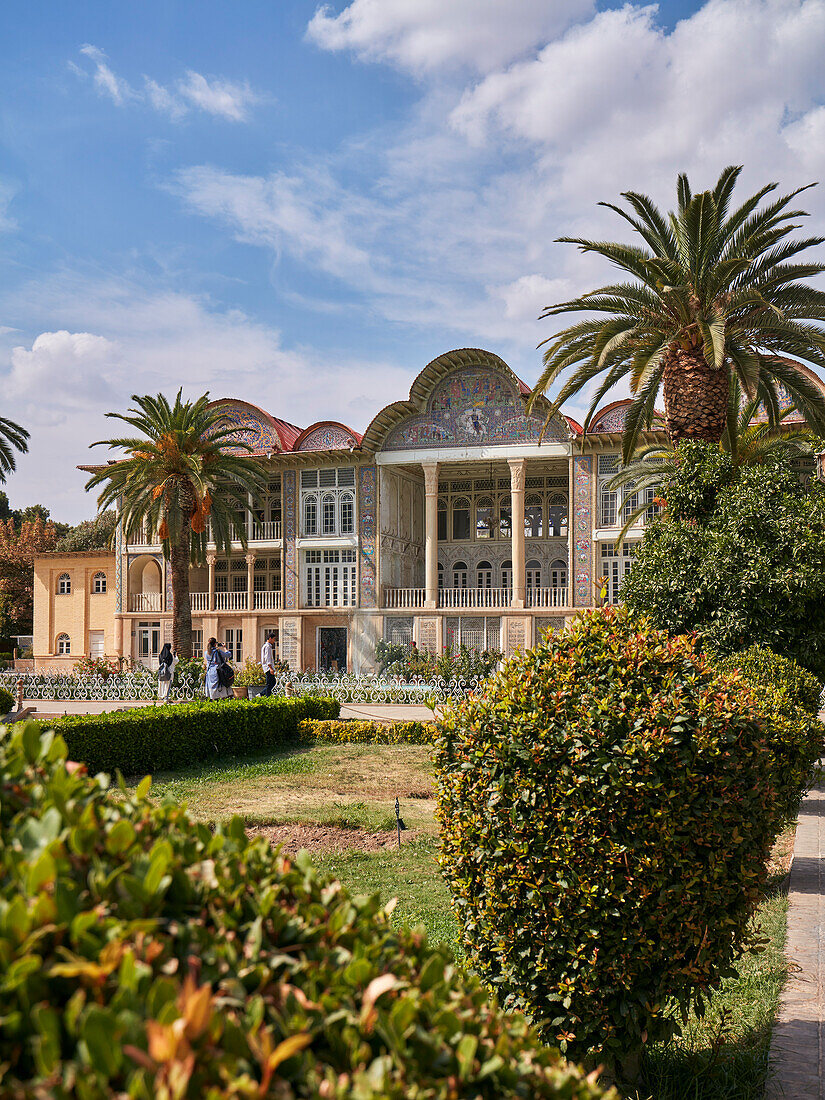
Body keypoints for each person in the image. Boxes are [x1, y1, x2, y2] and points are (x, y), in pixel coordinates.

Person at [260, 631, 278, 696]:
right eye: (274, 639)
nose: (274, 641)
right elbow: (267, 658)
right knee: (270, 684)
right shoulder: (267, 646)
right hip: (268, 668)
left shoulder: (268, 646)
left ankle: (262, 694)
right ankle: (265, 696)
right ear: (270, 638)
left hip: (268, 667)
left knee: (272, 683)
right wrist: (270, 668)